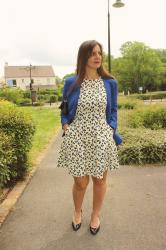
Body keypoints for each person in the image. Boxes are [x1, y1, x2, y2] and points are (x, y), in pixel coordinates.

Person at [57, 40, 119, 235]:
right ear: (83, 57)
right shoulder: (71, 82)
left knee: (99, 180)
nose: (97, 57)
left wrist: (111, 128)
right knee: (81, 183)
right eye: (93, 53)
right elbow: (64, 109)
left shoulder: (110, 83)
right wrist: (66, 126)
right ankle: (77, 211)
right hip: (77, 138)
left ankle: (95, 215)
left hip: (101, 137)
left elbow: (114, 110)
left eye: (99, 53)